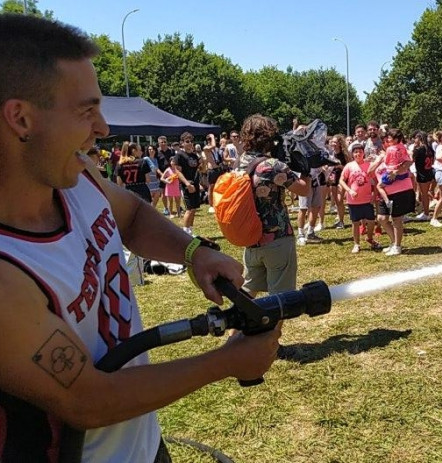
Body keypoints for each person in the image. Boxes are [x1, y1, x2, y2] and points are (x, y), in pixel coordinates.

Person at [0, 15, 281, 462]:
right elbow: (87, 400)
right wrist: (225, 363)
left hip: (143, 444)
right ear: (21, 118)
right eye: (85, 110)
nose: (104, 129)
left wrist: (193, 252)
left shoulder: (79, 178)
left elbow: (130, 215)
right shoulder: (6, 274)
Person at [236, 114, 310, 295]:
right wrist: (306, 168)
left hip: (251, 237)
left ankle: (239, 323)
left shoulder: (240, 162)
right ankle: (272, 325)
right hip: (277, 236)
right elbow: (303, 190)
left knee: (248, 293)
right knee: (282, 299)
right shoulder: (272, 166)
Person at [369, 128, 415, 256]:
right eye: (385, 141)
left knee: (396, 219)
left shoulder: (396, 150)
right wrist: (379, 160)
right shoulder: (383, 155)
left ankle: (397, 246)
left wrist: (396, 171)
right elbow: (369, 172)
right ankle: (394, 242)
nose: (386, 143)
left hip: (400, 190)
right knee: (382, 218)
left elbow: (408, 162)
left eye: (388, 140)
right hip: (385, 192)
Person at [339, 142, 382, 253]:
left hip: (367, 199)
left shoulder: (368, 165)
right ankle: (356, 244)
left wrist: (374, 194)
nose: (358, 154)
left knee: (371, 221)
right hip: (353, 200)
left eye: (360, 152)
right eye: (356, 152)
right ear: (352, 154)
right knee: (355, 222)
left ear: (364, 153)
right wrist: (349, 190)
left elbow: (375, 182)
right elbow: (341, 180)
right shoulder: (349, 166)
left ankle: (369, 238)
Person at [174, 132, 204, 235]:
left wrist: (203, 163)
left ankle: (190, 231)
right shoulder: (179, 155)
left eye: (191, 141)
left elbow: (200, 169)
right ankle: (185, 233)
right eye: (187, 141)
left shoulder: (194, 155)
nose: (190, 143)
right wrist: (187, 184)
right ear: (182, 143)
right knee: (189, 209)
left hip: (195, 184)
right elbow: (178, 172)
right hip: (187, 185)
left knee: (194, 209)